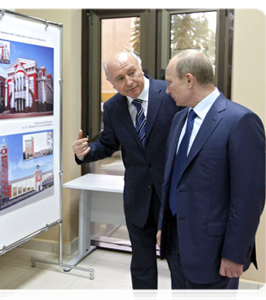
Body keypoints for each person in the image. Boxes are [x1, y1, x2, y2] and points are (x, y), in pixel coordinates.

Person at [157, 49, 266, 300]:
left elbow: (249, 198)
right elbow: (172, 179)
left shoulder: (240, 122)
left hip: (215, 252)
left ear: (189, 79)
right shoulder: (179, 120)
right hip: (177, 243)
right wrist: (165, 225)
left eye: (169, 82)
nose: (167, 90)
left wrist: (236, 253)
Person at [72, 49, 180, 300]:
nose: (129, 82)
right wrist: (85, 152)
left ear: (140, 67)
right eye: (119, 78)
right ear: (111, 82)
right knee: (142, 264)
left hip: (173, 197)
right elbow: (108, 145)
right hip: (137, 198)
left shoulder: (171, 93)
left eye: (132, 72)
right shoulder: (112, 108)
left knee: (179, 264)